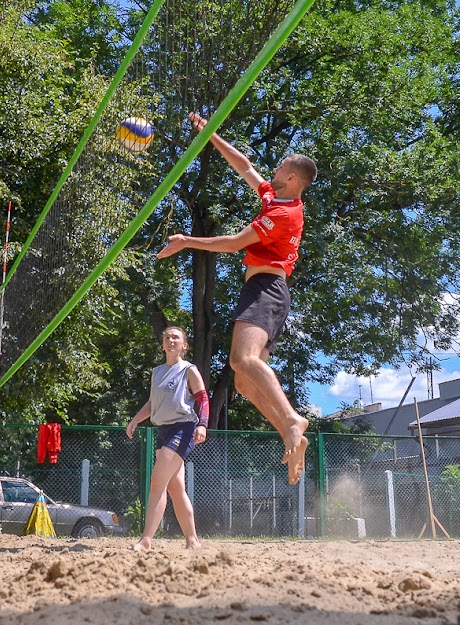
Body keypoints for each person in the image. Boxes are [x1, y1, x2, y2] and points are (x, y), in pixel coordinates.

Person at [157, 112, 317, 485]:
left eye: (280, 167)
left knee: (240, 359)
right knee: (244, 382)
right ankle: (290, 432)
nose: (273, 169)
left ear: (292, 177)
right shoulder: (276, 199)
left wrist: (186, 242)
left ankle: (293, 419)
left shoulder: (282, 213)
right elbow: (243, 165)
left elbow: (232, 244)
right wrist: (211, 134)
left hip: (266, 289)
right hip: (269, 291)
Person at [126, 326, 209, 551]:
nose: (171, 340)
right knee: (175, 487)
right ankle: (192, 540)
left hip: (182, 429)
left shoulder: (188, 370)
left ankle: (146, 540)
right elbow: (152, 404)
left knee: (157, 482)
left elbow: (203, 399)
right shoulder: (157, 372)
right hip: (163, 430)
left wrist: (202, 424)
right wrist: (136, 419)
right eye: (167, 337)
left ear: (184, 345)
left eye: (176, 337)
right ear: (162, 344)